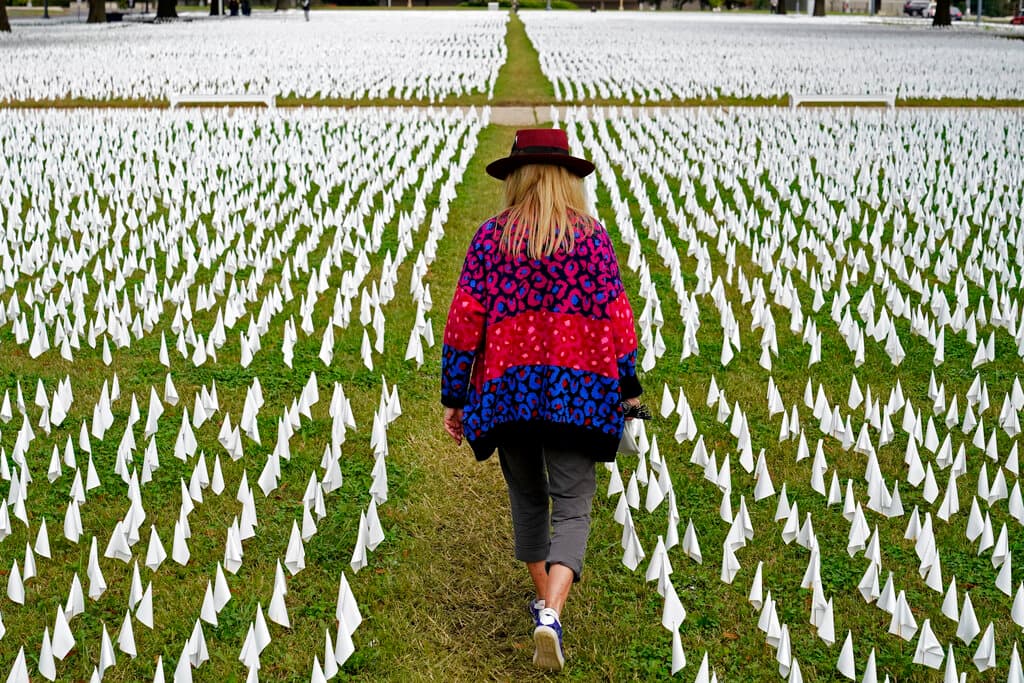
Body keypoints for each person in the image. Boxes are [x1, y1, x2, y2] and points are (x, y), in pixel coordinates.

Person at [441, 128, 642, 672]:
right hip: (578, 394)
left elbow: (463, 324)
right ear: (567, 179)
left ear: (517, 178)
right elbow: (619, 321)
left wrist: (454, 396)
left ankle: (544, 606)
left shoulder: (490, 239)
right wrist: (628, 387)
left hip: (508, 396)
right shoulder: (593, 239)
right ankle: (550, 610)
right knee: (573, 505)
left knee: (528, 500)